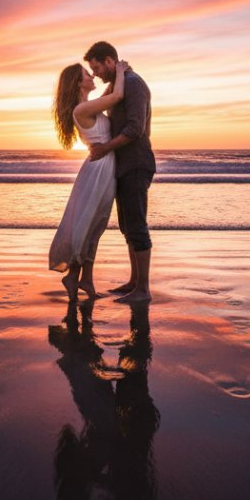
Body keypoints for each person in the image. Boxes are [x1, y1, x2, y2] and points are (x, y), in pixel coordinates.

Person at [49, 58, 129, 299]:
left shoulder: (88, 106)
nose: (92, 76)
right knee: (88, 223)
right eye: (87, 74)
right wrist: (121, 71)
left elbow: (109, 95)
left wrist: (116, 77)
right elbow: (116, 97)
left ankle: (82, 279)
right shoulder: (81, 110)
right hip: (98, 169)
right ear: (77, 83)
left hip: (103, 167)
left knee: (96, 224)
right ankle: (77, 278)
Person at [84, 41, 155, 304]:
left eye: (97, 67)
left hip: (136, 163)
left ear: (110, 61)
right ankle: (134, 281)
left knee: (136, 226)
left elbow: (135, 129)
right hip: (124, 166)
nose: (95, 74)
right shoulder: (118, 84)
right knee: (127, 226)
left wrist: (105, 149)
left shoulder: (133, 83)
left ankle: (143, 289)